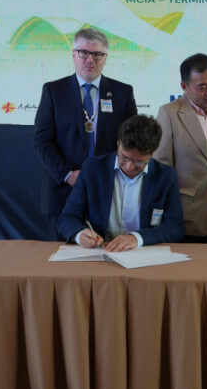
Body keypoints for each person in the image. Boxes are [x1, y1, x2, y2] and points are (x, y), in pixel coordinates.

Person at [33, 27, 137, 240]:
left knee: (106, 251)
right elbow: (42, 141)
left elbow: (131, 140)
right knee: (62, 252)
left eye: (97, 54)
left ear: (106, 58)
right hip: (63, 190)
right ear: (73, 54)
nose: (90, 59)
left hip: (108, 188)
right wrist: (67, 175)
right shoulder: (53, 91)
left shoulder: (122, 92)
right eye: (83, 53)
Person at [58, 114, 184, 249]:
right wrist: (79, 234)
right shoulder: (92, 169)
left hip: (142, 252)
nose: (129, 167)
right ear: (118, 143)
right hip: (100, 251)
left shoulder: (165, 176)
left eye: (138, 162)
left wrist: (136, 238)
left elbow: (175, 227)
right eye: (124, 157)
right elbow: (67, 219)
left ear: (152, 154)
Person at [154, 54, 207, 243]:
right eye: (202, 87)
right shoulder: (169, 113)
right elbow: (162, 168)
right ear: (184, 87)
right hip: (187, 217)